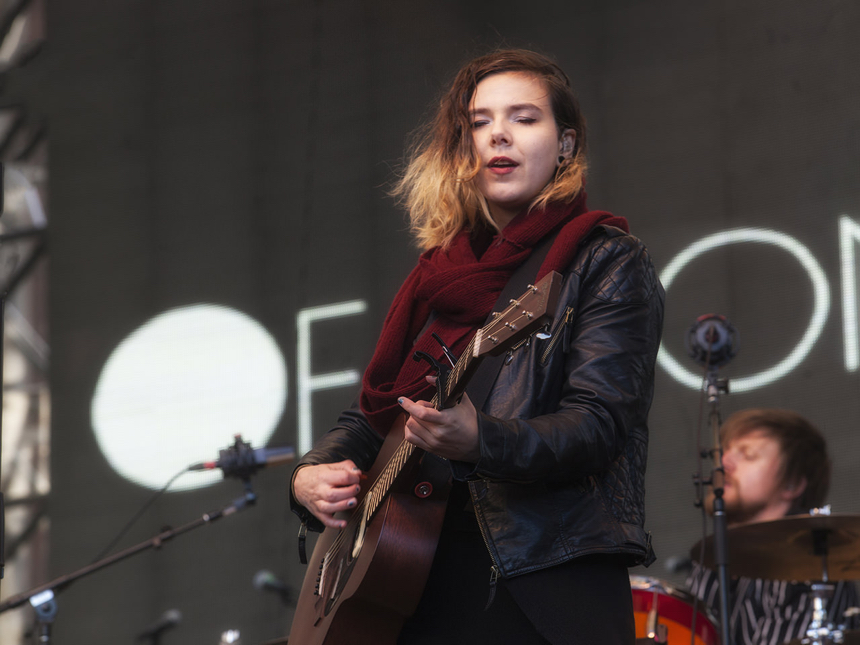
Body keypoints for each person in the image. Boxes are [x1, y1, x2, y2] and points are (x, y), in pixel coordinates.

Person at [290, 48, 665, 645]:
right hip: (412, 590)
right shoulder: (441, 277)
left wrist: (481, 439)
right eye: (480, 122)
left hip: (540, 581)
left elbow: (599, 426)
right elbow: (376, 418)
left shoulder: (606, 260)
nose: (499, 136)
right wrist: (310, 475)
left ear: (565, 144)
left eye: (523, 117)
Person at [688, 408, 859, 644]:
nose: (724, 462)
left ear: (791, 485)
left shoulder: (813, 566)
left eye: (748, 455)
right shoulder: (709, 562)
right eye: (726, 451)